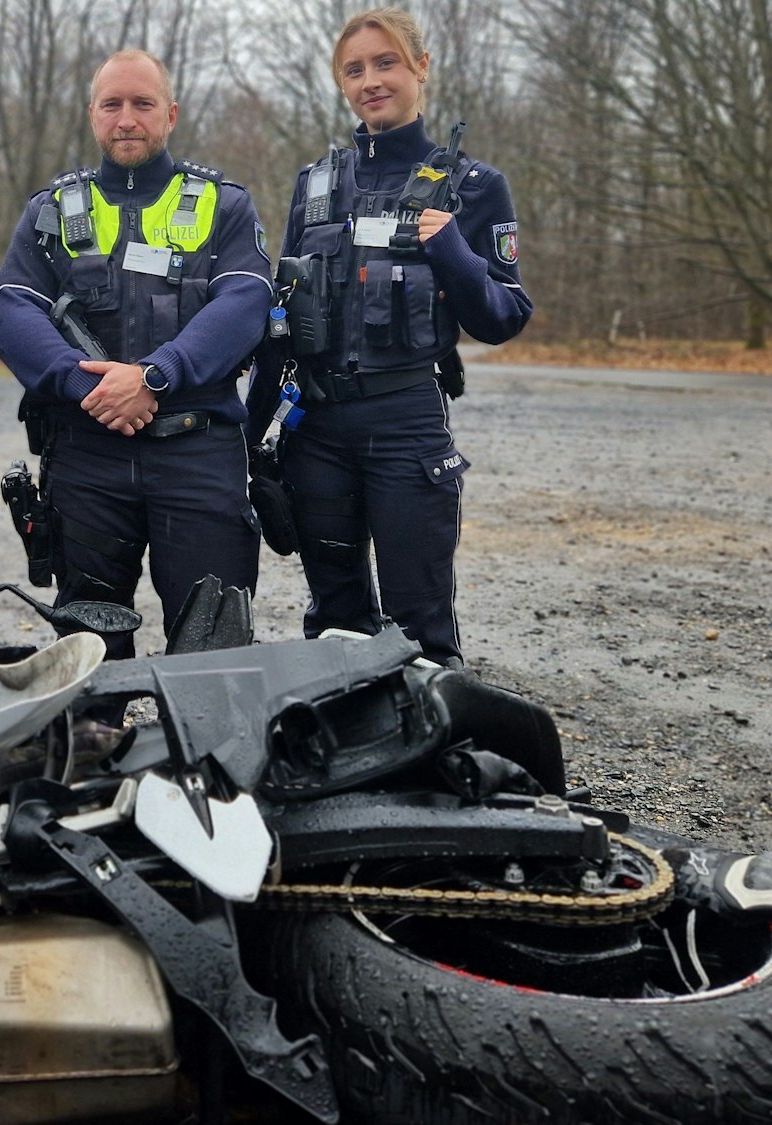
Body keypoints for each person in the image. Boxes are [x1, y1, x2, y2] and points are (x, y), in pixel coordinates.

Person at [252, 8, 532, 666]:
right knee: (334, 618)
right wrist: (243, 439)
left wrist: (453, 250)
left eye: (386, 64)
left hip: (406, 423)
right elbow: (281, 322)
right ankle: (348, 759)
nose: (371, 80)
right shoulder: (315, 185)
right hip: (314, 428)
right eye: (355, 69)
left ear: (420, 68)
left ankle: (429, 762)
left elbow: (504, 315)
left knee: (419, 623)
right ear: (342, 83)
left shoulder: (472, 186)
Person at [0, 49, 271, 656]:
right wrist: (83, 384)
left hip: (197, 456)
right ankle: (95, 749)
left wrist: (154, 376)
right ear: (92, 115)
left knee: (211, 654)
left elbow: (247, 303)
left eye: (142, 104)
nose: (127, 118)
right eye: (112, 104)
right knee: (87, 662)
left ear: (168, 114)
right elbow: (11, 310)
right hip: (86, 460)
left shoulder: (224, 204)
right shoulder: (51, 213)